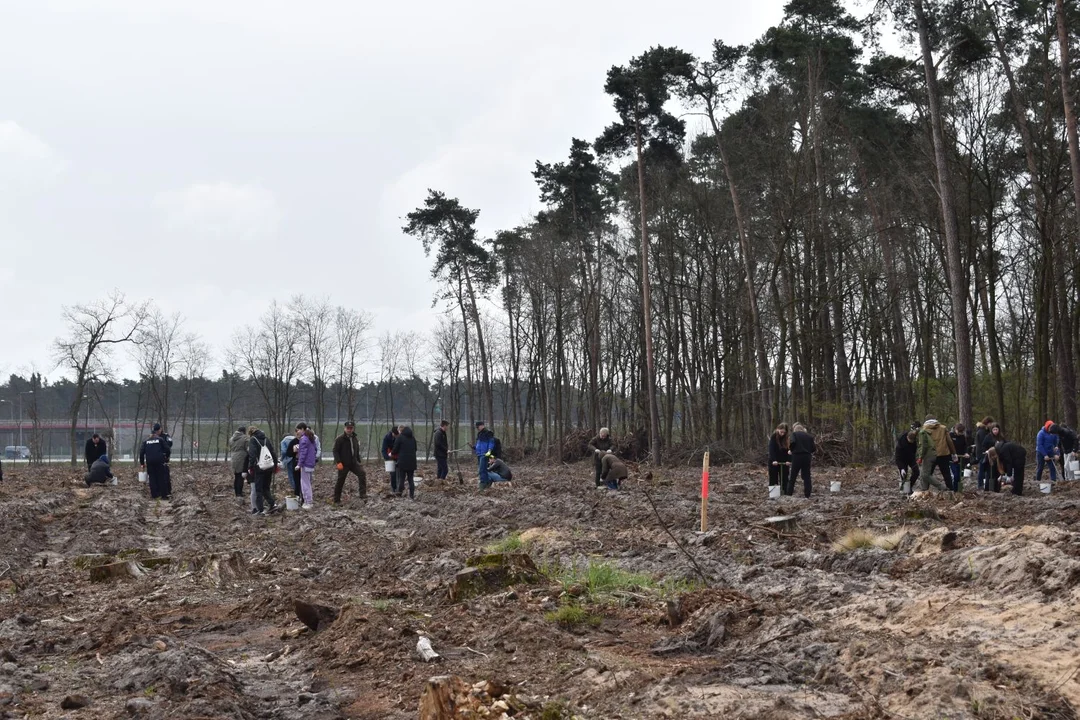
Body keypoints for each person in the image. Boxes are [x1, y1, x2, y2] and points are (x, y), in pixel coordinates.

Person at [333, 421, 368, 504]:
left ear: (353, 429)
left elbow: (356, 449)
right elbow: (335, 451)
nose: (349, 430)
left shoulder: (354, 438)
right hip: (343, 464)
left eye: (351, 428)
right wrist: (338, 462)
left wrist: (358, 460)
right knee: (340, 481)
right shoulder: (340, 439)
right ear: (344, 429)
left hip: (353, 463)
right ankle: (336, 499)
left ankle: (362, 494)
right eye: (348, 428)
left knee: (362, 473)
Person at [916, 416, 955, 491]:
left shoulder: (924, 430)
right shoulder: (943, 428)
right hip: (944, 453)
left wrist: (921, 456)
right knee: (946, 473)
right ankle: (950, 490)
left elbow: (923, 445)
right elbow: (949, 441)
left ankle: (925, 490)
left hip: (930, 455)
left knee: (926, 474)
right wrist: (954, 453)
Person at [247, 426, 278, 515]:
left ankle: (260, 510)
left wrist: (250, 466)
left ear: (250, 433)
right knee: (266, 488)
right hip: (269, 466)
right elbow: (272, 452)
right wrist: (275, 465)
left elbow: (252, 454)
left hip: (260, 467)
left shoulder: (253, 440)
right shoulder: (266, 439)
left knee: (258, 490)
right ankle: (272, 504)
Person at [139, 423, 172, 500]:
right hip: (160, 461)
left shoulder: (146, 441)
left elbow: (141, 453)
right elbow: (167, 449)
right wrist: (166, 457)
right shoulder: (160, 440)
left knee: (152, 478)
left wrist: (142, 463)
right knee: (161, 477)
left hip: (150, 462)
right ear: (158, 431)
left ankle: (154, 495)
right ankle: (164, 495)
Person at [392, 426, 418, 499]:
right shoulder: (413, 438)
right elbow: (415, 449)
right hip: (412, 462)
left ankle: (399, 494)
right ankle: (411, 495)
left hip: (402, 462)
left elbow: (395, 449)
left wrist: (391, 453)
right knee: (410, 479)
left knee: (402, 479)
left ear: (401, 431)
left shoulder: (400, 438)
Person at [789, 423, 815, 498]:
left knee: (793, 475)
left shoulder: (794, 434)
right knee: (807, 475)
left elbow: (792, 442)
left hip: (797, 456)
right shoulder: (809, 436)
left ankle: (789, 492)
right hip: (807, 457)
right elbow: (813, 448)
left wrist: (791, 450)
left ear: (795, 429)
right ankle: (807, 494)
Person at [894, 424, 920, 495]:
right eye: (910, 440)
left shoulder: (914, 441)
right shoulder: (900, 445)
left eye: (913, 441)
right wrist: (901, 468)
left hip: (911, 459)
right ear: (907, 437)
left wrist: (914, 459)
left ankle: (909, 487)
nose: (911, 442)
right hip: (902, 460)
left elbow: (914, 451)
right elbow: (897, 458)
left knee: (916, 472)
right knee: (904, 476)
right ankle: (904, 491)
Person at [296, 426, 318, 509]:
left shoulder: (304, 439)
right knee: (307, 482)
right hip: (310, 463)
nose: (297, 432)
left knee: (305, 483)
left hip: (305, 464)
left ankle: (308, 502)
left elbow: (303, 453)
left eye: (298, 430)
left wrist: (299, 464)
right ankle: (308, 501)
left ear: (302, 429)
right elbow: (314, 450)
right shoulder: (311, 438)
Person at [767, 424, 791, 493]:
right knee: (773, 477)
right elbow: (771, 450)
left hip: (784, 461)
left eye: (784, 432)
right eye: (781, 432)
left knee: (784, 477)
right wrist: (774, 460)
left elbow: (789, 450)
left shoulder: (787, 438)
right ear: (778, 429)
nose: (782, 434)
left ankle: (785, 492)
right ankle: (774, 493)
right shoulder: (773, 437)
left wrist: (789, 460)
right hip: (774, 461)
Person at [1036, 420, 1060, 485]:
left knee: (1052, 467)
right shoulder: (1041, 433)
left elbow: (1056, 445)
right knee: (1040, 468)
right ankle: (1037, 481)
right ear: (1047, 427)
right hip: (1041, 452)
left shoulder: (1054, 433)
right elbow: (1039, 445)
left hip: (1050, 452)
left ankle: (1053, 481)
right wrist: (1045, 455)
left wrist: (1057, 453)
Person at [949, 423, 972, 491]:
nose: (960, 433)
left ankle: (958, 490)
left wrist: (966, 453)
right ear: (956, 429)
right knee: (955, 475)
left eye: (962, 432)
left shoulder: (962, 437)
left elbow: (965, 446)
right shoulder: (950, 435)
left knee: (959, 475)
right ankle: (953, 489)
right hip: (951, 459)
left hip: (960, 458)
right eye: (959, 432)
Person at [473, 421, 497, 488]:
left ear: (482, 425)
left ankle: (483, 484)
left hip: (484, 454)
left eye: (478, 427)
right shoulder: (479, 434)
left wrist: (489, 450)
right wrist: (474, 447)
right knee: (483, 469)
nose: (477, 428)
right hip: (479, 454)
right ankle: (487, 482)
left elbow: (491, 442)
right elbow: (479, 444)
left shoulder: (488, 433)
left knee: (482, 469)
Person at [229, 426, 249, 498]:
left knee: (236, 476)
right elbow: (247, 448)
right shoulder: (244, 438)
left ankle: (236, 492)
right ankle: (239, 493)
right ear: (244, 431)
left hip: (233, 458)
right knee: (241, 477)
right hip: (241, 458)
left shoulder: (232, 439)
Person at [975, 416, 994, 490]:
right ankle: (980, 485)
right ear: (987, 423)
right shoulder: (982, 432)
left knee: (985, 470)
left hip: (983, 452)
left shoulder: (983, 431)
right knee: (982, 470)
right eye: (990, 423)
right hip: (982, 453)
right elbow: (984, 443)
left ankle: (985, 484)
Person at [280, 430, 300, 497]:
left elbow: (283, 451)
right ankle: (300, 489)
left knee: (291, 475)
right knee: (298, 475)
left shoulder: (283, 441)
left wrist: (281, 459)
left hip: (289, 459)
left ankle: (295, 489)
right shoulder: (295, 438)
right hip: (297, 459)